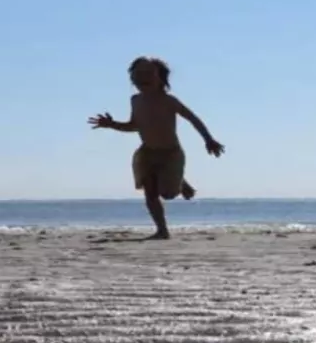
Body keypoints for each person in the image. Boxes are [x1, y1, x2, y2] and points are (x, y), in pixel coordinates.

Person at [88, 56, 225, 239]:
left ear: (161, 77)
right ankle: (162, 230)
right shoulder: (135, 100)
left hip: (171, 154)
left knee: (168, 194)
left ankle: (180, 182)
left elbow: (193, 119)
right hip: (147, 153)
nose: (143, 77)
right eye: (138, 74)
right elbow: (135, 126)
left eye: (148, 73)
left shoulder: (169, 101)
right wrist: (112, 124)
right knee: (150, 192)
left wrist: (208, 139)